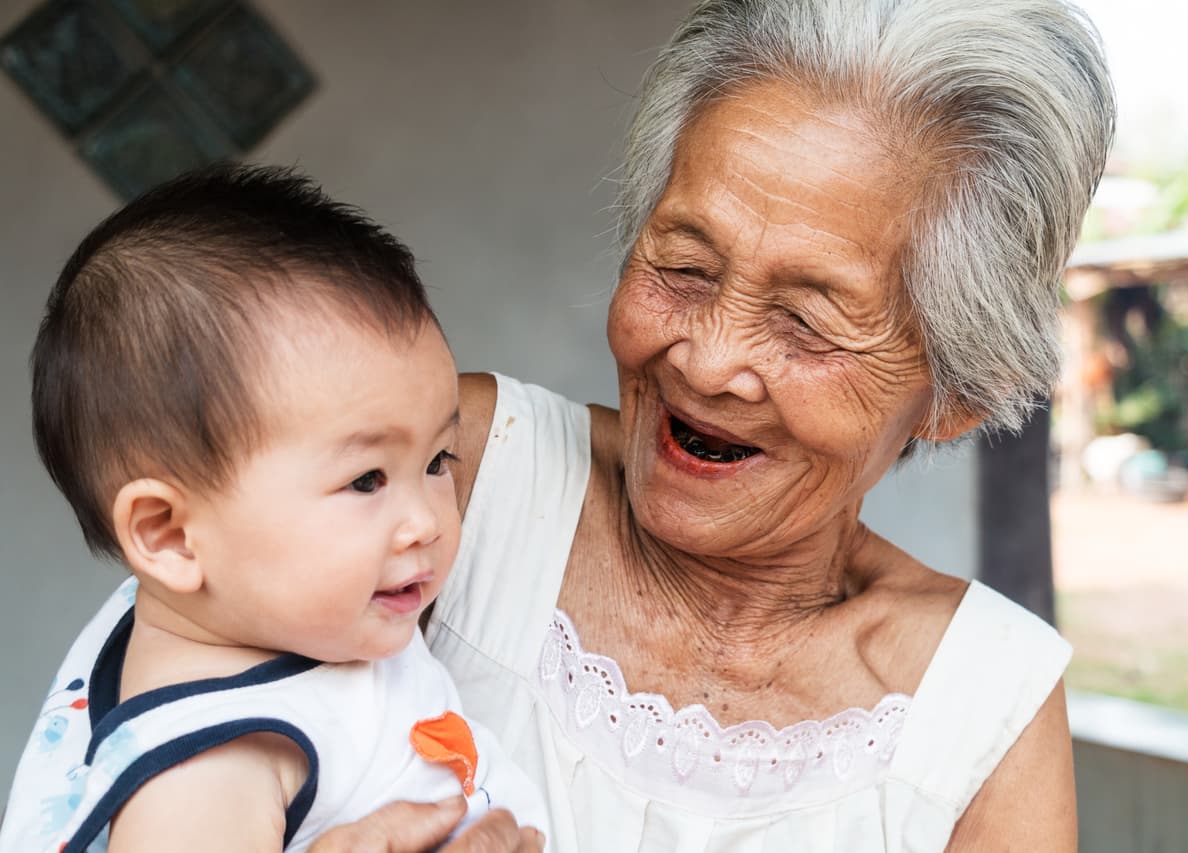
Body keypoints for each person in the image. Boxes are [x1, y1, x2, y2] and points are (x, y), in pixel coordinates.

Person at [417, 0, 1115, 850]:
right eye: (683, 267)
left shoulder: (982, 705)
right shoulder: (451, 474)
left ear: (955, 395)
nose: (706, 362)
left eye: (806, 323)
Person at [0, 166, 547, 853]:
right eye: (367, 479)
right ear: (169, 535)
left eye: (439, 461)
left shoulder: (270, 620)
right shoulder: (209, 772)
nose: (428, 521)